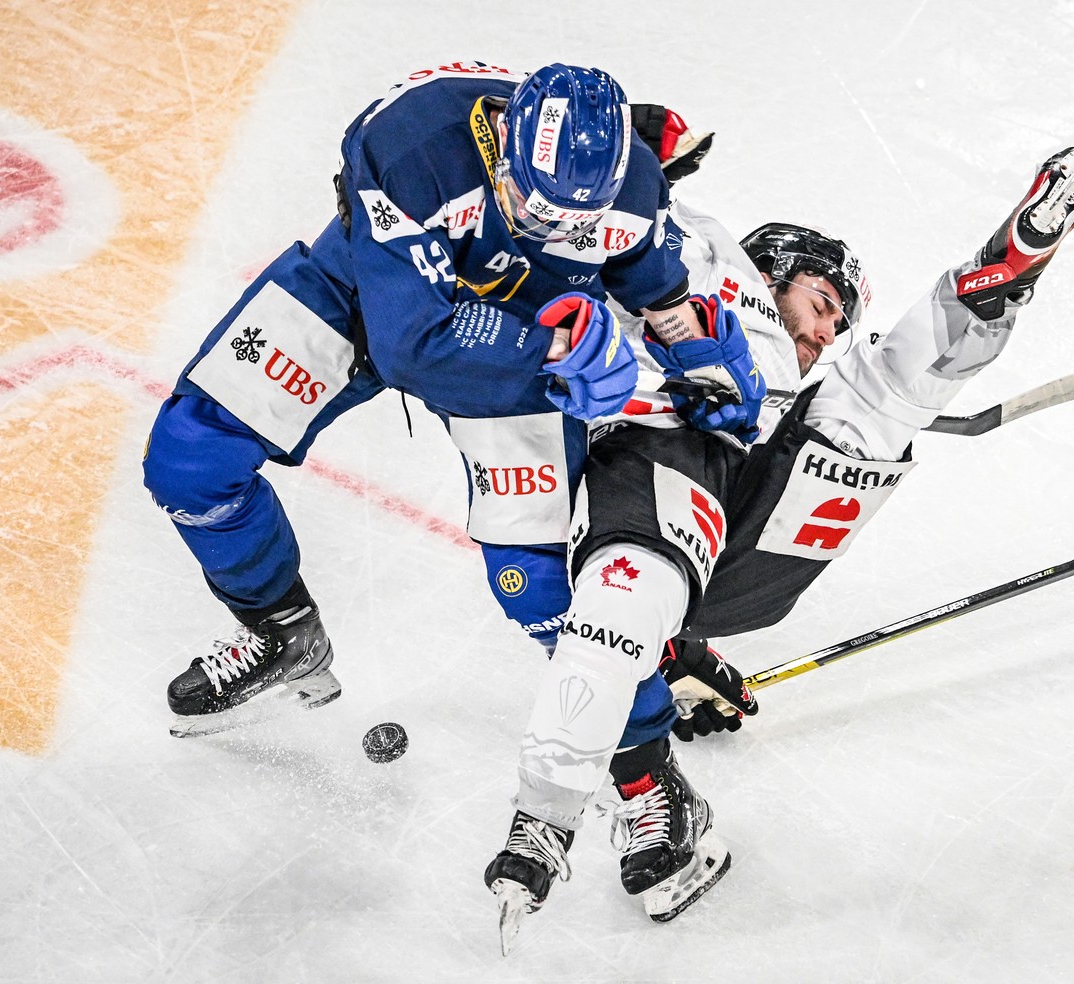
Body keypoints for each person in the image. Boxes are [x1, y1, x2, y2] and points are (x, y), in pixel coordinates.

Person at [484, 137, 1074, 947]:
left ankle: (649, 757)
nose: (824, 333)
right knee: (560, 591)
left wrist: (1006, 268)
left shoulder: (783, 383)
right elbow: (632, 222)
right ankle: (650, 763)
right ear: (772, 268)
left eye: (837, 325)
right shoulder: (704, 265)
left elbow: (888, 381)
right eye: (820, 304)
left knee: (857, 424)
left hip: (696, 534)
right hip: (588, 463)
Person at [142, 61, 763, 738]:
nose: (546, 230)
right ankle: (282, 631)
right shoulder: (410, 144)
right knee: (191, 461)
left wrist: (702, 356)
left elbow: (654, 286)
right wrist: (559, 352)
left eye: (572, 223)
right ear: (504, 136)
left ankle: (649, 733)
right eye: (533, 207)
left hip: (520, 329)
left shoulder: (631, 184)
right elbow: (409, 342)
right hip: (375, 297)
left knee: (540, 583)